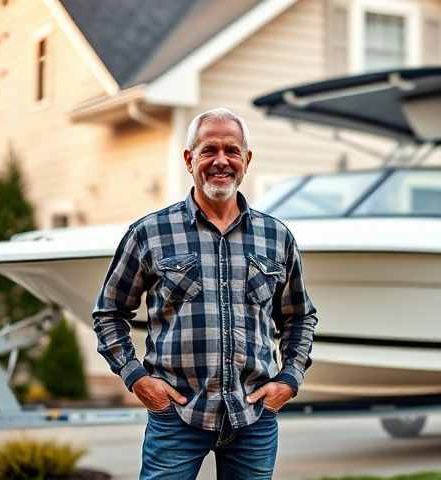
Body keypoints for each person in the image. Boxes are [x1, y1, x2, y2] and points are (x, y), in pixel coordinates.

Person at [92, 107, 318, 479]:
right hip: (176, 416)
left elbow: (299, 316)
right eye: (209, 150)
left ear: (247, 159)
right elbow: (109, 313)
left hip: (254, 417)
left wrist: (289, 379)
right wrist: (136, 378)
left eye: (232, 151)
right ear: (188, 159)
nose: (221, 161)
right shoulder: (149, 233)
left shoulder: (276, 236)